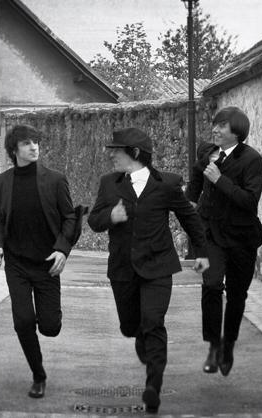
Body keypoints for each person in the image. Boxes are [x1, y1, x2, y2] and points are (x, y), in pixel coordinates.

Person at [88, 127, 208, 413]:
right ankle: (139, 335)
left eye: (117, 150)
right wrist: (110, 216)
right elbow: (94, 220)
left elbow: (189, 217)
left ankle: (153, 386)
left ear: (135, 153)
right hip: (122, 269)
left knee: (154, 322)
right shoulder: (109, 184)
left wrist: (203, 252)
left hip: (158, 266)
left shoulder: (166, 184)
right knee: (131, 326)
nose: (112, 155)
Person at [0, 124, 76, 399]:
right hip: (17, 263)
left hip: (47, 262)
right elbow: (0, 219)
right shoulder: (1, 183)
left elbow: (70, 218)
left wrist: (62, 250)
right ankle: (38, 375)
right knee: (23, 321)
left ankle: (49, 316)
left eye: (35, 142)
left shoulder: (55, 180)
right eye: (26, 143)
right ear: (14, 150)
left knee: (50, 327)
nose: (34, 147)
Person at [185, 106, 262, 377]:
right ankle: (213, 345)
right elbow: (195, 187)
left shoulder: (253, 160)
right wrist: (189, 199)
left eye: (221, 126)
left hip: (242, 238)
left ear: (237, 131)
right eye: (215, 125)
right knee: (211, 286)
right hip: (212, 236)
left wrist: (220, 180)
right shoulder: (209, 156)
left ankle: (228, 344)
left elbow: (249, 201)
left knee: (237, 295)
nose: (215, 130)